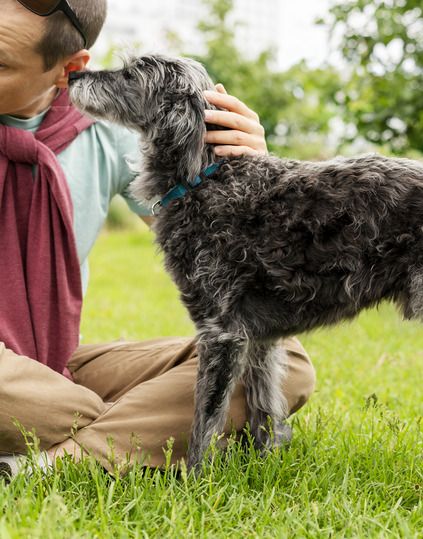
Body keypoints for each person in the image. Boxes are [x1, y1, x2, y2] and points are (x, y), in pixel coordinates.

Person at [0, 0, 316, 479]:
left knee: (278, 359)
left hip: (55, 363)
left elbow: (237, 264)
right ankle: (137, 432)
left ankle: (52, 459)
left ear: (70, 70)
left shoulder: (112, 131)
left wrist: (252, 179)